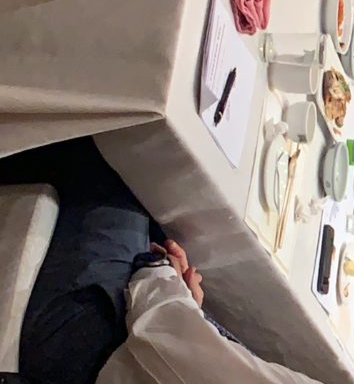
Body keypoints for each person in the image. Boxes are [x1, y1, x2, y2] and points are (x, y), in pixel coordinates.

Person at [0, 138, 317, 384]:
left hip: (84, 351)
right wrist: (189, 311)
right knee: (163, 212)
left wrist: (160, 271)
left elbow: (158, 337)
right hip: (140, 350)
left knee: (113, 155)